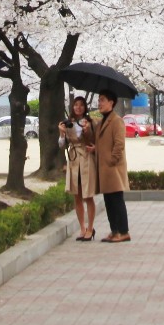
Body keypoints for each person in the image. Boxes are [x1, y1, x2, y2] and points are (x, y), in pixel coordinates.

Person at [60, 95, 100, 241]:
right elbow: (61, 145)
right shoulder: (68, 123)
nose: (78, 107)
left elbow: (95, 140)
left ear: (85, 107)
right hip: (73, 158)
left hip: (86, 158)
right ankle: (82, 227)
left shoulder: (90, 122)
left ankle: (91, 228)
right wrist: (62, 133)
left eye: (81, 105)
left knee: (88, 195)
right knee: (77, 195)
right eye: (76, 105)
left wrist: (86, 130)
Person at [94, 90, 131, 242]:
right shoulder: (103, 120)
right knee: (109, 201)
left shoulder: (116, 120)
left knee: (116, 200)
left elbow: (119, 143)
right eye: (99, 100)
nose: (99, 103)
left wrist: (112, 160)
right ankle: (114, 230)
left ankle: (123, 231)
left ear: (111, 102)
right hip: (105, 169)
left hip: (112, 168)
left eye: (102, 100)